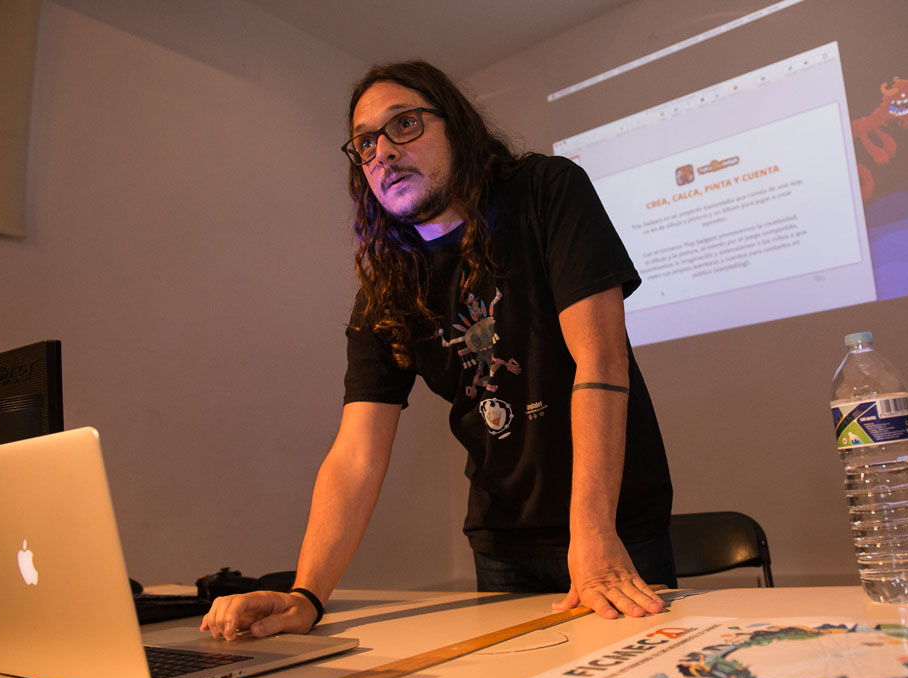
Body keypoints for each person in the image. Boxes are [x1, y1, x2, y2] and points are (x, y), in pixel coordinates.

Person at [201, 61, 674, 641]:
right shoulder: (387, 287)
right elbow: (356, 453)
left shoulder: (545, 190)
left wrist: (594, 531)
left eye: (405, 124)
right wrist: (307, 595)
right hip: (503, 542)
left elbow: (600, 361)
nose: (383, 152)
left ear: (457, 126)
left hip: (615, 527)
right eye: (365, 143)